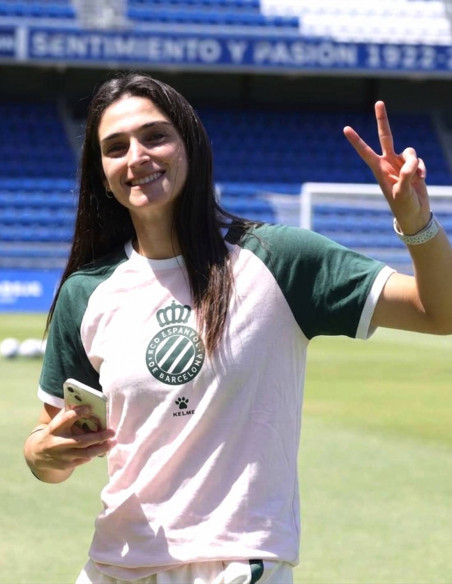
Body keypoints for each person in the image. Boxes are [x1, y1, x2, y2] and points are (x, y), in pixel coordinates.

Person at [23, 72, 452, 584]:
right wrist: (41, 454)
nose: (136, 156)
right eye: (116, 147)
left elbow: (438, 312)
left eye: (155, 136)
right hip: (113, 565)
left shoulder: (279, 258)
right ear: (102, 174)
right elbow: (50, 450)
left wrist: (417, 224)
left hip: (234, 564)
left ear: (191, 146)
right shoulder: (86, 291)